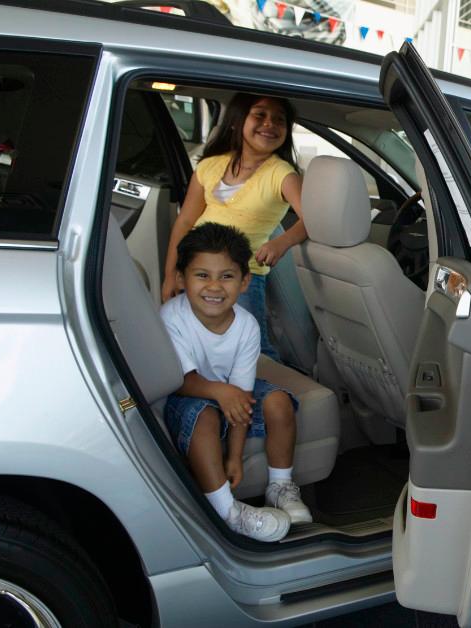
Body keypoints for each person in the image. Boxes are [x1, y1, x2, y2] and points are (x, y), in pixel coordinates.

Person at [161, 223, 312, 542]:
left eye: (226, 276)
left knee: (279, 402)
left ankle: (280, 486)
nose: (214, 287)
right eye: (202, 275)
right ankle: (227, 511)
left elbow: (242, 393)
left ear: (244, 282)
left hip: (228, 392)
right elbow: (180, 381)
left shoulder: (245, 325)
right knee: (205, 416)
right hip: (186, 397)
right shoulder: (171, 317)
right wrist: (221, 392)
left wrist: (235, 456)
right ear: (180, 279)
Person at [161, 93, 306, 360]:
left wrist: (280, 242)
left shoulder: (282, 174)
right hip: (197, 273)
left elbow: (311, 219)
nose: (270, 124)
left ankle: (269, 396)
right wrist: (172, 274)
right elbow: (185, 221)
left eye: (279, 120)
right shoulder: (210, 166)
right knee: (200, 346)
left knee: (250, 349)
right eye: (260, 115)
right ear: (237, 121)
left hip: (241, 278)